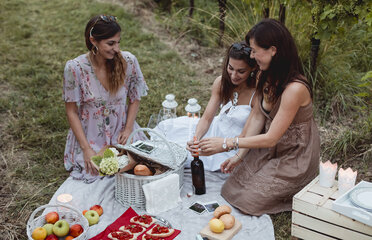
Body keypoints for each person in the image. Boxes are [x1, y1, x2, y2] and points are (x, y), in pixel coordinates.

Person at [197, 19, 320, 215]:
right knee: (230, 189)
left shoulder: (295, 89)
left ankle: (297, 189)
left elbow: (271, 137)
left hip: (294, 155)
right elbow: (256, 118)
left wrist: (227, 144)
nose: (252, 56)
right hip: (269, 150)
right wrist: (239, 155)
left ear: (273, 50)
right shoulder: (265, 76)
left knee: (248, 202)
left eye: (254, 50)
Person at [63, 15, 148, 183]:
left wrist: (129, 128)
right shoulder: (75, 68)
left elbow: (135, 97)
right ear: (93, 41)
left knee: (140, 163)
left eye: (118, 42)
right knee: (95, 169)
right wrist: (86, 149)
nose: (116, 49)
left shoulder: (128, 61)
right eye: (111, 43)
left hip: (121, 129)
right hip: (91, 134)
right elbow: (71, 112)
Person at [153, 42, 257, 171]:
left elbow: (246, 136)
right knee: (169, 139)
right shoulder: (221, 82)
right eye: (230, 68)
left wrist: (223, 145)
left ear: (252, 69)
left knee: (180, 159)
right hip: (213, 129)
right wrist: (196, 139)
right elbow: (207, 118)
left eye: (241, 71)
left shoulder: (256, 95)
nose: (234, 76)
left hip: (234, 145)